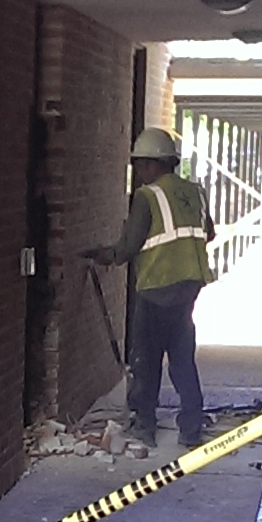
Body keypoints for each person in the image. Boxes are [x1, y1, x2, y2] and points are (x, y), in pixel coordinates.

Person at [88, 127, 214, 447]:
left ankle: (144, 425)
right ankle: (191, 427)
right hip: (189, 285)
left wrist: (106, 255)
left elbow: (129, 248)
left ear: (154, 164)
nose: (138, 172)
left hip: (157, 286)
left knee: (147, 356)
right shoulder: (195, 192)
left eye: (141, 165)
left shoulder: (147, 196)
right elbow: (207, 233)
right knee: (183, 356)